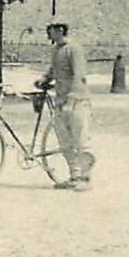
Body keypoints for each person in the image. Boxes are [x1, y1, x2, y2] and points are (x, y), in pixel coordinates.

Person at [36, 21, 95, 191]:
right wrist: (44, 79)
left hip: (77, 102)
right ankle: (74, 176)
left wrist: (71, 99)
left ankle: (85, 178)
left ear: (60, 30)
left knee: (81, 140)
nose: (48, 33)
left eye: (50, 30)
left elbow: (80, 75)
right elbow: (55, 70)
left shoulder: (74, 49)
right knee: (65, 141)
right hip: (60, 101)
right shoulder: (56, 50)